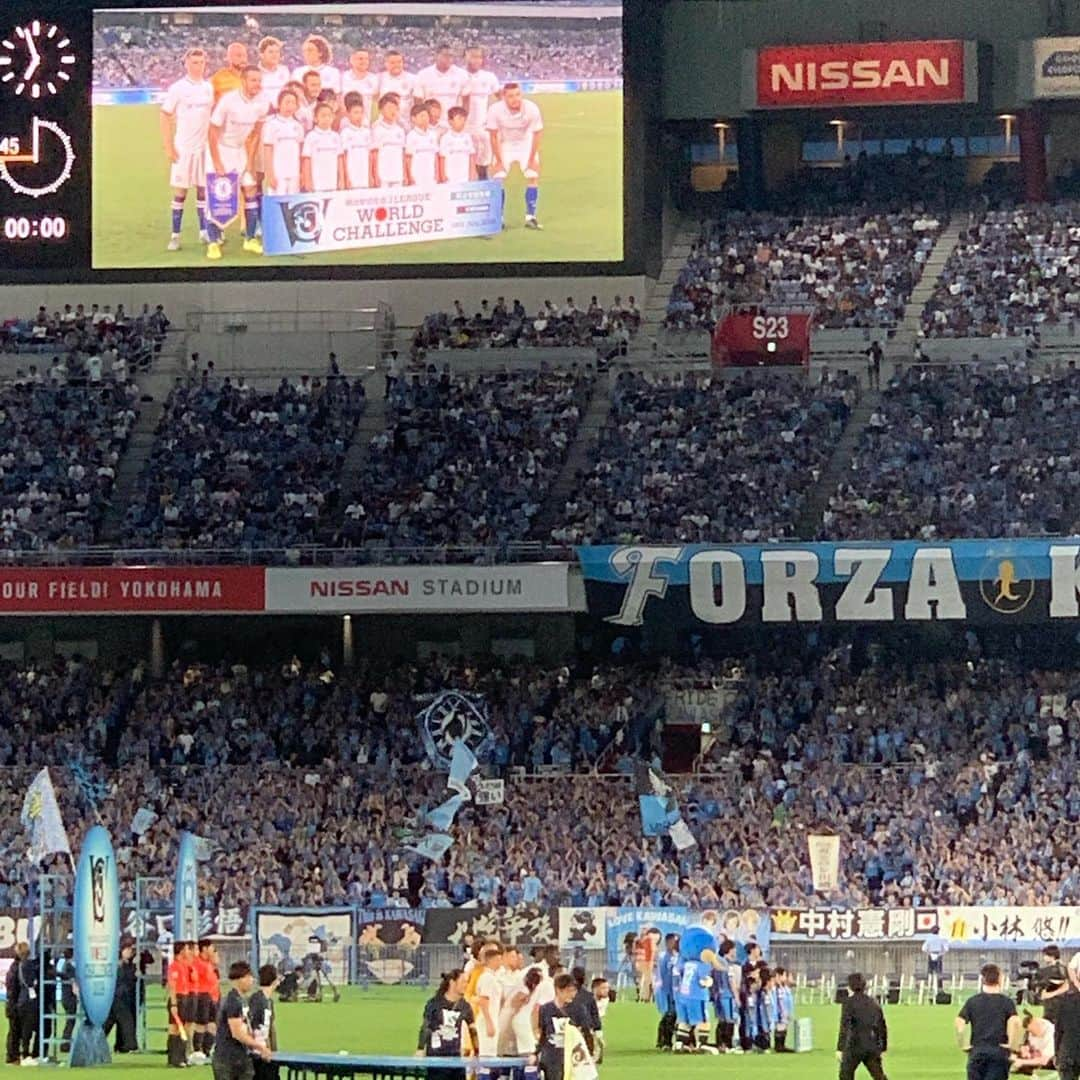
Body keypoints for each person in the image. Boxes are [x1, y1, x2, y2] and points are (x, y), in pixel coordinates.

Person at [206, 66, 269, 259]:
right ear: (243, 81)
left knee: (250, 189)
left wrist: (250, 160)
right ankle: (213, 242)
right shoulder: (228, 100)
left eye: (259, 80)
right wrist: (217, 162)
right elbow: (212, 131)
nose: (257, 84)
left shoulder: (263, 102)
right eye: (253, 80)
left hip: (240, 150)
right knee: (218, 197)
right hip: (222, 149)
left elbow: (256, 133)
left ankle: (250, 239)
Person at [160, 48, 213, 251]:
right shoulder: (178, 88)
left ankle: (204, 232)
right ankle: (175, 236)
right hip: (184, 147)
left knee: (203, 190)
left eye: (201, 62)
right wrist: (169, 146)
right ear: (186, 64)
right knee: (181, 192)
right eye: (194, 62)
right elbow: (165, 115)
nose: (198, 66)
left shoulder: (208, 88)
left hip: (203, 148)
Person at [486, 83, 544, 230]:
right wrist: (498, 160)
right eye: (511, 96)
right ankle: (499, 218)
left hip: (525, 143)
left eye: (517, 95)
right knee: (497, 177)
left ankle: (531, 217)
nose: (515, 99)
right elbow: (493, 136)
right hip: (504, 143)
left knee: (532, 175)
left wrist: (531, 159)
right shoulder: (495, 110)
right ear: (504, 97)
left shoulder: (531, 108)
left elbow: (537, 134)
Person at [955, 963, 1022, 1080]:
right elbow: (1015, 1023)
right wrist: (1012, 1046)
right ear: (1000, 979)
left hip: (977, 1050)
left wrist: (963, 1044)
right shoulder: (1006, 1002)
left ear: (982, 979)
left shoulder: (972, 1001)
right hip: (998, 1051)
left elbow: (959, 1022)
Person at [213, 961, 272, 1080]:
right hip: (228, 1058)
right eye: (249, 977)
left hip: (240, 1055)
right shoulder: (233, 1001)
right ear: (240, 979)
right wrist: (260, 1047)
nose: (252, 981)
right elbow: (237, 1033)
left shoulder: (241, 999)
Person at [416, 969, 478, 1080]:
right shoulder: (434, 1003)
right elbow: (426, 1027)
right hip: (436, 1060)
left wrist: (477, 1052)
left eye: (467, 982)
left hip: (456, 1060)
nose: (466, 985)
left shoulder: (465, 1006)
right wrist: (420, 1049)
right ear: (452, 983)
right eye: (463, 981)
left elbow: (473, 1030)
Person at [836, 972, 888, 1080]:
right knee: (879, 1076)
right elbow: (882, 1026)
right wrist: (883, 1046)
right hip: (871, 1045)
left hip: (854, 1045)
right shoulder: (873, 1002)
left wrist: (840, 1048)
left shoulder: (848, 1003)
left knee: (845, 1075)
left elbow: (845, 1026)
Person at [462, 46, 499, 179]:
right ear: (466, 57)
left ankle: (483, 185)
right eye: (473, 56)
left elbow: (499, 96)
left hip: (482, 127)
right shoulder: (459, 76)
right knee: (463, 163)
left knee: (483, 162)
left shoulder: (489, 77)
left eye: (479, 57)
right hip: (463, 127)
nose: (477, 60)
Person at [262, 88, 305, 196]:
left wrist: (301, 173)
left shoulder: (298, 126)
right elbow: (267, 151)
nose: (290, 106)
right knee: (277, 204)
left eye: (293, 103)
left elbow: (300, 152)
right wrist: (270, 174)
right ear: (279, 104)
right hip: (278, 173)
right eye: (287, 102)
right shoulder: (271, 124)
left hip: (294, 173)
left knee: (293, 204)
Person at [536, 973, 577, 1080]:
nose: (572, 994)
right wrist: (536, 1052)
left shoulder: (578, 1009)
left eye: (573, 991)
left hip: (571, 1055)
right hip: (552, 1056)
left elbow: (584, 1032)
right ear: (558, 990)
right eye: (568, 991)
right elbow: (543, 1034)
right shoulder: (546, 1009)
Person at [301, 103, 343, 193]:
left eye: (329, 116)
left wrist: (341, 179)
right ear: (316, 118)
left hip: (332, 181)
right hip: (317, 182)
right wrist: (308, 180)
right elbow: (306, 160)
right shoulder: (311, 136)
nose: (327, 119)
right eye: (323, 116)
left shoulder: (336, 136)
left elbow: (339, 159)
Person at [106, 940, 138, 1053]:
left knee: (110, 1021)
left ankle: (122, 1045)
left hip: (123, 996)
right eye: (128, 949)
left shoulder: (129, 964)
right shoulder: (118, 964)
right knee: (126, 1020)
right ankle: (130, 1045)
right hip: (118, 996)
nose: (130, 952)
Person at [248, 964, 280, 1080]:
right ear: (274, 980)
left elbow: (271, 1028)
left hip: (266, 1052)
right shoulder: (257, 1000)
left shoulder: (269, 1001)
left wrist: (274, 1052)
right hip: (257, 1054)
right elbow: (251, 1026)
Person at [474, 942, 504, 1059]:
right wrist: (489, 1023)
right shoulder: (487, 978)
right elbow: (483, 1001)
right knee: (487, 1053)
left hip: (493, 1017)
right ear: (491, 960)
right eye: (498, 960)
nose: (500, 963)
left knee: (492, 1052)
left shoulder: (493, 977)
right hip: (487, 1019)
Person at [167, 940, 194, 1067]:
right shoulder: (174, 966)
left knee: (183, 1028)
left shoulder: (185, 965)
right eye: (187, 949)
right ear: (181, 951)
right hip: (177, 999)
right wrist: (173, 1004)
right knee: (175, 1029)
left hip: (185, 997)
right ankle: (174, 1058)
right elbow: (172, 986)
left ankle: (182, 1056)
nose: (189, 952)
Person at [371, 94, 406, 188]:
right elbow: (374, 154)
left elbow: (403, 154)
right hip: (383, 177)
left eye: (395, 107)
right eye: (389, 107)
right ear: (381, 110)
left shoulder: (400, 130)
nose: (393, 110)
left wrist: (405, 174)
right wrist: (375, 175)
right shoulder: (377, 129)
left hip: (398, 175)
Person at [341, 93, 373, 189]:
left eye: (361, 112)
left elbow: (370, 156)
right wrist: (346, 177)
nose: (359, 116)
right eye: (355, 112)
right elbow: (344, 158)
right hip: (352, 175)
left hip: (365, 174)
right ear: (348, 114)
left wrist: (370, 175)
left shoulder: (367, 132)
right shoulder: (345, 133)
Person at [405, 103, 439, 188]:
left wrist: (437, 173)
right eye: (422, 116)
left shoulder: (433, 135)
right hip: (416, 178)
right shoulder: (411, 136)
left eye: (427, 116)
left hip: (431, 177)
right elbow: (408, 158)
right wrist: (409, 176)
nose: (425, 119)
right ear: (413, 119)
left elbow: (435, 156)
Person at [654, 932, 677, 1051]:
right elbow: (662, 976)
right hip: (666, 991)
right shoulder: (664, 957)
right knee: (669, 1015)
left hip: (675, 992)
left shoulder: (677, 956)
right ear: (668, 943)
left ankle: (663, 1040)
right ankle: (665, 1041)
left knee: (672, 1016)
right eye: (674, 941)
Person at [439, 107, 475, 184]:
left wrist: (472, 176)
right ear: (450, 121)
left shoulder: (468, 137)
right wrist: (443, 177)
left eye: (464, 119)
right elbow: (442, 159)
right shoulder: (445, 138)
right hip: (450, 179)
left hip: (465, 179)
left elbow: (471, 157)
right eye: (459, 119)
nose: (463, 122)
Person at [5, 941, 27, 1064]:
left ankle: (13, 1056)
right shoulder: (17, 968)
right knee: (15, 1031)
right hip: (14, 1003)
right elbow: (13, 988)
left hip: (13, 1002)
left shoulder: (15, 967)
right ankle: (12, 1057)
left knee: (15, 1031)